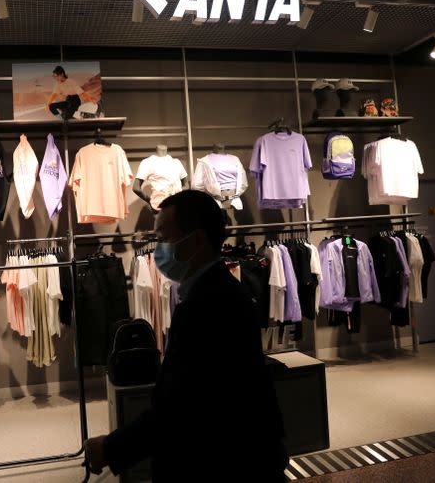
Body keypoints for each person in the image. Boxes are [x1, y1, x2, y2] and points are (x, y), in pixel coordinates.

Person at [85, 189, 288, 482]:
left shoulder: (208, 304)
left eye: (165, 239)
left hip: (220, 463)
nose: (159, 250)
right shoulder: (216, 292)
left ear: (198, 239)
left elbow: (181, 407)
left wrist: (112, 447)